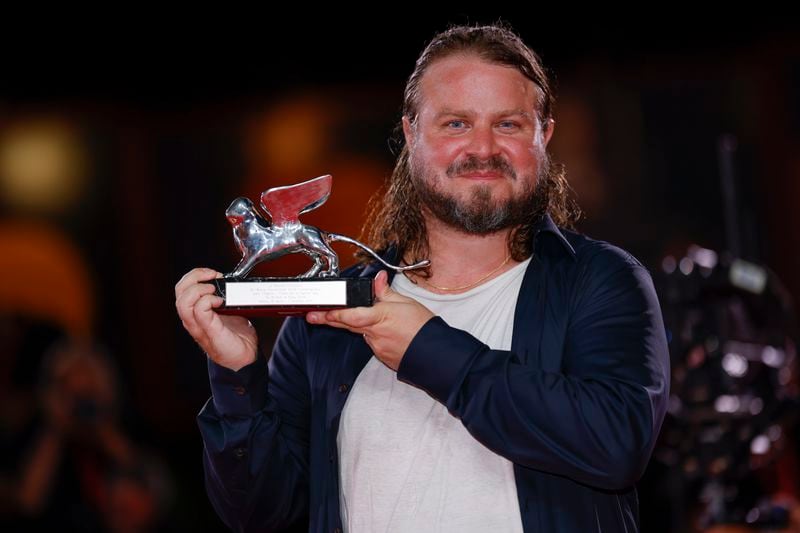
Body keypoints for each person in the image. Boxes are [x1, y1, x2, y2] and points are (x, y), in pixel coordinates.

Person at [175, 23, 670, 532]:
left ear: (543, 136)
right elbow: (261, 513)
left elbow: (617, 446)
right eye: (456, 124)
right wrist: (238, 377)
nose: (483, 148)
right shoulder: (329, 314)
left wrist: (428, 348)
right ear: (411, 133)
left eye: (509, 124)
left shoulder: (602, 280)